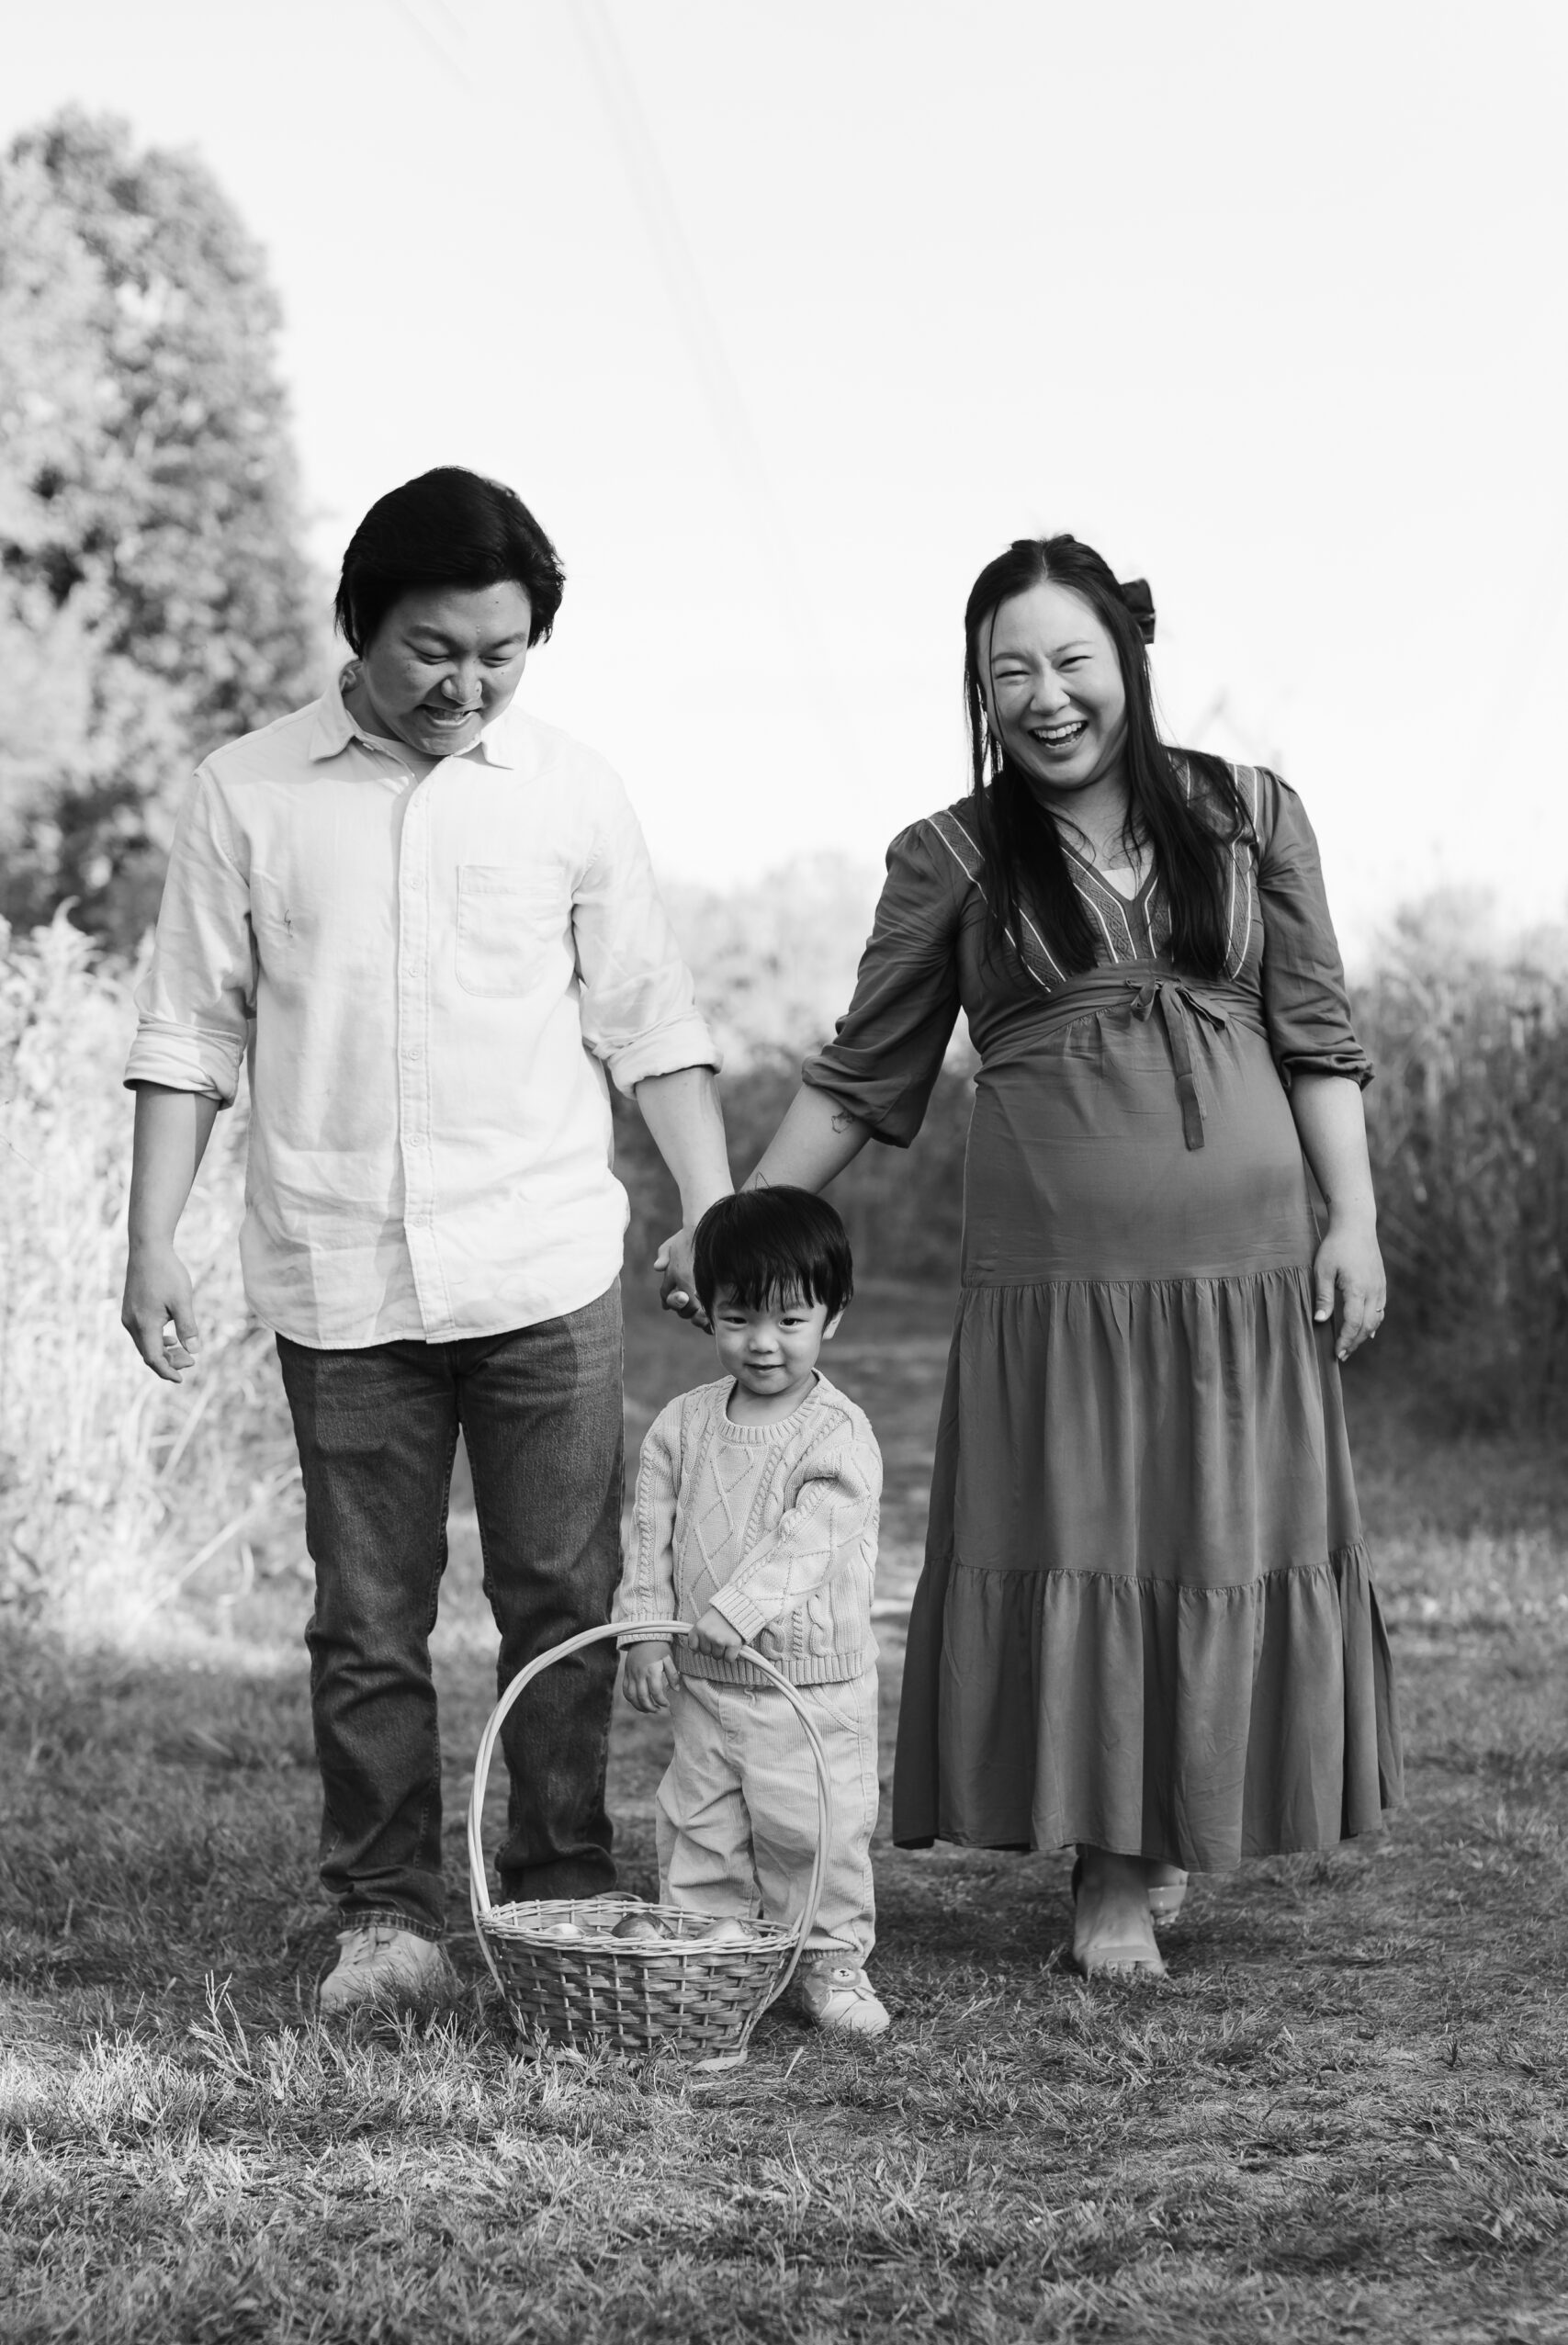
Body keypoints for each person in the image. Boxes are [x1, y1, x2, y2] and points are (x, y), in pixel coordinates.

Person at [736, 534, 1402, 1979]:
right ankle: (1105, 1878)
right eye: (1007, 673)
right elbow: (859, 1074)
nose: (1042, 697)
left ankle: (1170, 1829)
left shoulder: (1247, 815)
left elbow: (1316, 1035)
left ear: (1126, 660)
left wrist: (1348, 1219)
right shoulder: (951, 855)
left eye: (1068, 661)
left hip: (1242, 1275)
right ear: (977, 691)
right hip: (1054, 1284)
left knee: (1212, 1540)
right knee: (1090, 1543)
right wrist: (745, 1222)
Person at [121, 467, 731, 2014]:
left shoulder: (570, 791)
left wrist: (712, 1206)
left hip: (540, 1263)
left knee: (562, 1597)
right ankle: (385, 1915)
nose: (466, 684)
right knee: (366, 1619)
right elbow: (189, 1030)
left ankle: (562, 1885)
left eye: (500, 654)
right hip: (339, 1271)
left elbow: (648, 1018)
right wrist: (151, 1241)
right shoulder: (248, 792)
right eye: (433, 651)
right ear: (359, 622)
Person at [615, 1189, 889, 2035]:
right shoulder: (682, 1425)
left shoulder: (838, 1433)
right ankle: (713, 1956)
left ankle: (827, 1962)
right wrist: (644, 1632)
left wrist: (740, 1607)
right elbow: (649, 1534)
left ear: (832, 1316)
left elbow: (816, 1536)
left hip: (810, 1689)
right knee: (700, 1822)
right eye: (737, 1319)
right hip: (704, 1681)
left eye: (789, 1320)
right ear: (707, 1311)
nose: (762, 1342)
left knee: (811, 1828)